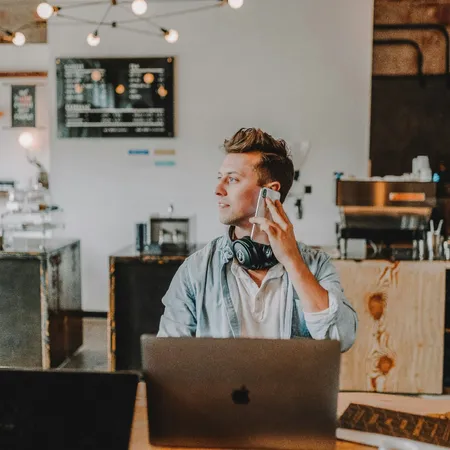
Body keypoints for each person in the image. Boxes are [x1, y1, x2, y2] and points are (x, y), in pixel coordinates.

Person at [158, 128, 357, 351]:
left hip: (290, 387)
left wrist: (293, 262)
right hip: (220, 387)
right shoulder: (196, 270)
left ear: (270, 192)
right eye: (219, 178)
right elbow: (170, 355)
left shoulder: (316, 266)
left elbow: (341, 339)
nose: (218, 189)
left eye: (232, 179)